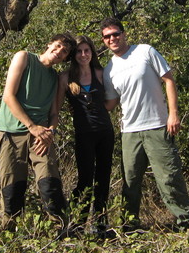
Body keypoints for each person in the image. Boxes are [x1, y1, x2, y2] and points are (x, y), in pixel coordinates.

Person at [100, 18, 189, 230]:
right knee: (130, 182)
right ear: (104, 41)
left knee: (169, 177)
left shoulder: (145, 51)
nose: (112, 39)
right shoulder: (109, 69)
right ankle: (130, 226)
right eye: (107, 36)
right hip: (130, 132)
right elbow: (112, 102)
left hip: (158, 126)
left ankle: (187, 222)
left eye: (116, 34)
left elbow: (169, 80)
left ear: (124, 34)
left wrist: (174, 114)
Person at [0, 33, 76, 231]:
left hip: (41, 137)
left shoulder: (55, 78)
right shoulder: (24, 57)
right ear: (49, 44)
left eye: (64, 52)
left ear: (66, 58)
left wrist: (50, 132)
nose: (59, 52)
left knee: (50, 183)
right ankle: (10, 233)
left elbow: (54, 113)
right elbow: (8, 96)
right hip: (12, 132)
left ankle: (60, 230)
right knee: (12, 188)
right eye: (57, 46)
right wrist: (32, 127)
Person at [57, 35, 115, 236]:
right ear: (74, 55)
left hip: (105, 133)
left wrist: (100, 111)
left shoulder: (100, 73)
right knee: (84, 180)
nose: (83, 54)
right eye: (79, 51)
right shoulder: (66, 78)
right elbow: (55, 109)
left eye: (87, 50)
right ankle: (77, 225)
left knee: (103, 178)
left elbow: (112, 100)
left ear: (92, 52)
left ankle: (100, 225)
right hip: (84, 134)